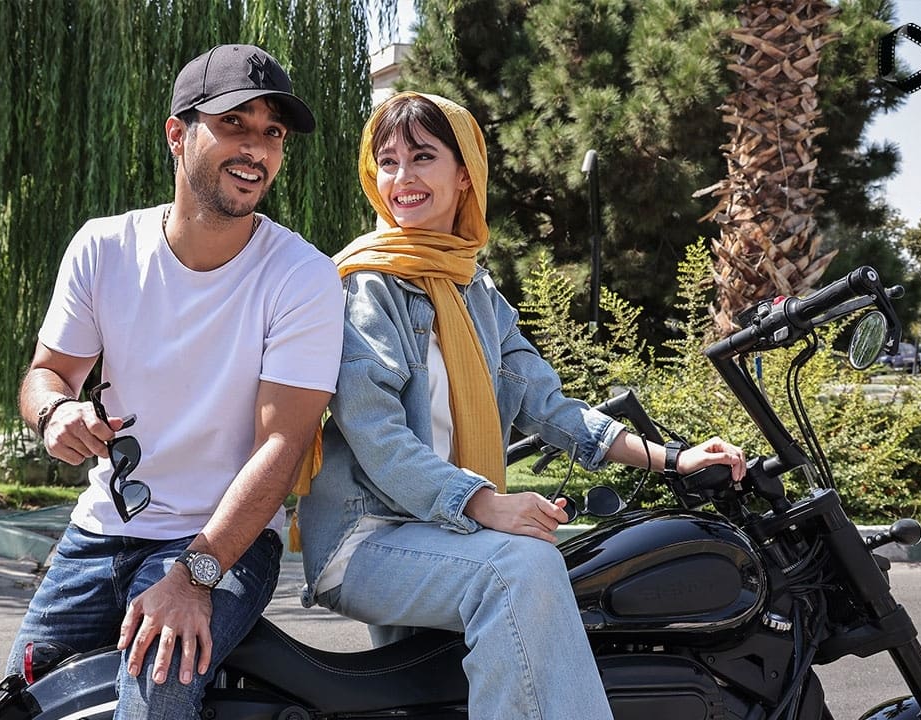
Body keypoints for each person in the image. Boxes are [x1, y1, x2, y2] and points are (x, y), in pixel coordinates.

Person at [295, 91, 748, 720]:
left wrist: (672, 458)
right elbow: (376, 434)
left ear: (465, 174)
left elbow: (549, 405)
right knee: (520, 568)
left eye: (422, 157)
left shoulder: (475, 289)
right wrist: (483, 502)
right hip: (367, 537)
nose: (401, 178)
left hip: (442, 530)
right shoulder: (368, 283)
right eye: (388, 161)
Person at [7, 44, 344, 719]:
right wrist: (54, 414)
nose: (256, 149)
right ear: (177, 134)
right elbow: (48, 375)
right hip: (98, 533)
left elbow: (281, 447)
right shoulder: (103, 248)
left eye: (273, 133)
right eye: (234, 123)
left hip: (219, 541)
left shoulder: (302, 276)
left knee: (157, 684)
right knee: (23, 700)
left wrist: (193, 576)